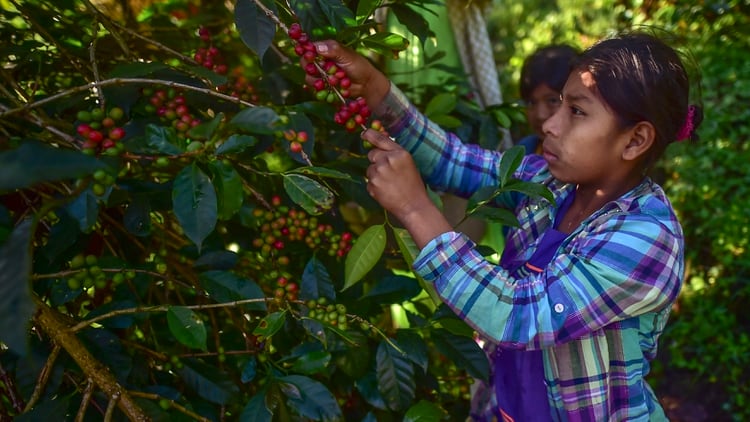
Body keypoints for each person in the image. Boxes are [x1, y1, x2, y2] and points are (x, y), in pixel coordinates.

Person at [307, 31, 702, 421]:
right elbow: (453, 162)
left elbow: (518, 315)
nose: (549, 123)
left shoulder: (646, 237)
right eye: (559, 104)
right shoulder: (548, 182)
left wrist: (415, 209)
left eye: (576, 112)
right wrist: (376, 89)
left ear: (635, 141)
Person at [517, 44, 579, 155]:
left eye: (552, 101)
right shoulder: (525, 150)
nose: (540, 115)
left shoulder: (588, 158)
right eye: (531, 103)